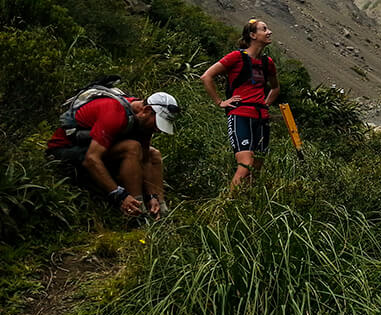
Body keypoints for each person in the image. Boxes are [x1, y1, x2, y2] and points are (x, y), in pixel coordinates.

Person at [46, 90, 178, 219]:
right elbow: (91, 159)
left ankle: (160, 208)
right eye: (157, 123)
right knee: (132, 147)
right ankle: (136, 210)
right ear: (147, 110)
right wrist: (120, 195)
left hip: (95, 148)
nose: (157, 129)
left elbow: (145, 159)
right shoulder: (114, 112)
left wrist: (152, 196)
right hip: (66, 150)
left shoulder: (144, 121)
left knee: (153, 154)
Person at [200, 18, 280, 186]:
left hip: (261, 117)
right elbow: (207, 76)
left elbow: (275, 88)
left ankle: (245, 204)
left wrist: (265, 104)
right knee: (246, 164)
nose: (269, 32)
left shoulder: (268, 63)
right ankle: (226, 205)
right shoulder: (236, 57)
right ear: (252, 35)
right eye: (264, 29)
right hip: (240, 115)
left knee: (257, 166)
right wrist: (220, 101)